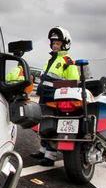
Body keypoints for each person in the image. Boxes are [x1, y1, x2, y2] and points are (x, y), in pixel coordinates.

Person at [30, 26, 80, 166]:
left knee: (52, 125)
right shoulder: (51, 59)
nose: (55, 46)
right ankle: (42, 150)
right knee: (44, 123)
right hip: (44, 95)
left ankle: (50, 156)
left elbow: (73, 82)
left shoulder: (67, 60)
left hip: (55, 97)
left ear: (65, 44)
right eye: (53, 43)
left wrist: (58, 89)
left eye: (57, 43)